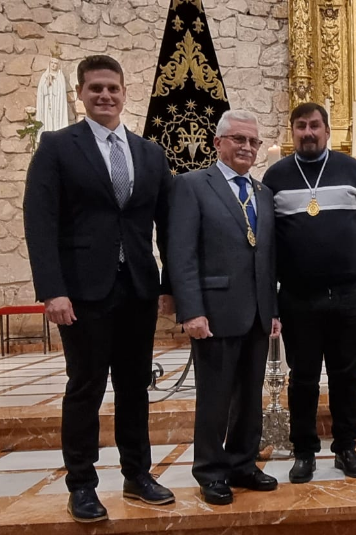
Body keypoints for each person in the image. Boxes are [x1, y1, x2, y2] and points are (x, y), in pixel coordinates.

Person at [23, 55, 174, 523]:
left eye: (112, 88)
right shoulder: (57, 146)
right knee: (85, 387)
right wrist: (53, 290)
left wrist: (170, 286)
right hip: (83, 291)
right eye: (96, 89)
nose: (105, 96)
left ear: (125, 93)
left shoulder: (148, 152)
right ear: (81, 95)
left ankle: (138, 474)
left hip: (137, 288)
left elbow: (167, 224)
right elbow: (40, 221)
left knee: (135, 387)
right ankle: (82, 484)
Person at [263, 102, 356, 483]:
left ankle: (346, 446)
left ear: (327, 130)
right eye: (301, 126)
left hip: (349, 294)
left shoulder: (350, 169)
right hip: (298, 297)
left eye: (315, 126)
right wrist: (271, 298)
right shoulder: (276, 177)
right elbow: (266, 245)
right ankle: (304, 451)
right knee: (303, 378)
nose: (308, 133)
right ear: (292, 131)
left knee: (346, 375)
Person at [168, 110, 281, 504]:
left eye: (253, 141)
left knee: (250, 394)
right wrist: (191, 310)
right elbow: (180, 254)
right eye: (238, 139)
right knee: (215, 397)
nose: (247, 147)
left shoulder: (263, 193)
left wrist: (274, 310)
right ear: (218, 143)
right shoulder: (193, 185)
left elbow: (267, 258)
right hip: (213, 312)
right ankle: (211, 471)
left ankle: (243, 463)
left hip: (256, 312)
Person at [36, 56, 69, 141]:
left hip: (57, 103)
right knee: (48, 122)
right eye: (52, 63)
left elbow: (60, 92)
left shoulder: (60, 77)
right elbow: (42, 92)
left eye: (55, 63)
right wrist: (47, 83)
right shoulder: (44, 76)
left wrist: (54, 83)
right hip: (47, 104)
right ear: (49, 64)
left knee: (57, 123)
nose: (53, 65)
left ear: (58, 65)